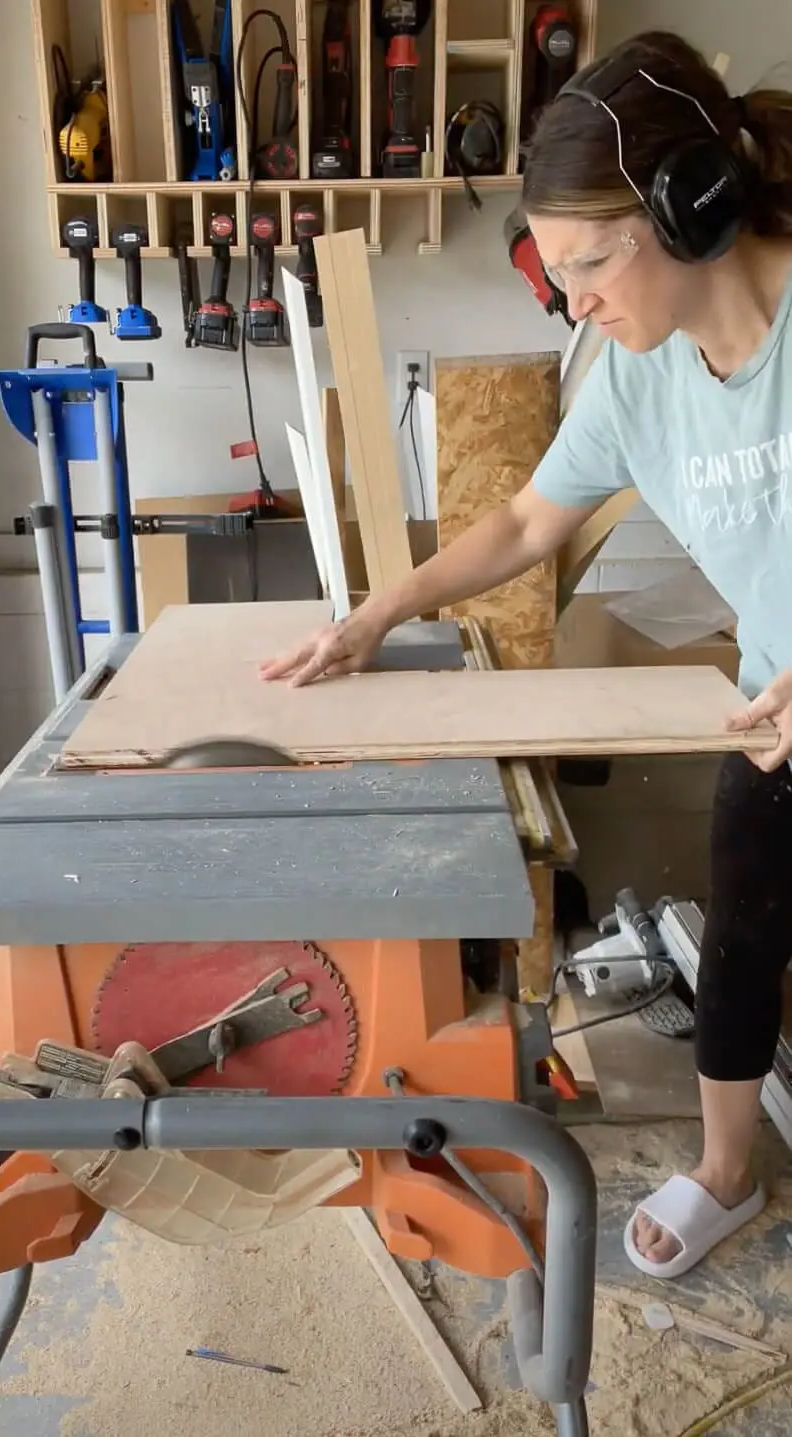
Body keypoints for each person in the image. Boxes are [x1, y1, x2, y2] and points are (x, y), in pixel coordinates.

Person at [260, 29, 792, 1281]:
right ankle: (725, 1173)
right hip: (769, 704)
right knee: (745, 927)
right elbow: (519, 523)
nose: (577, 304)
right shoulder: (632, 378)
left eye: (586, 268)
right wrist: (379, 615)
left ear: (686, 210)